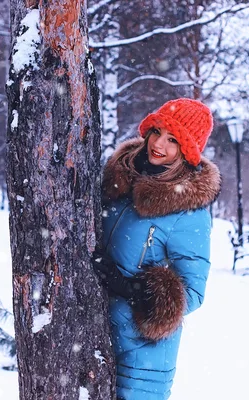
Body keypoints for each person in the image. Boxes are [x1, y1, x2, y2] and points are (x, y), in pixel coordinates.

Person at [92, 98, 221, 400]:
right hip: (97, 335)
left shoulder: (188, 210)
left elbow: (194, 291)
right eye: (157, 131)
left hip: (143, 361)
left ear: (187, 152)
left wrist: (132, 288)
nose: (159, 144)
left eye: (173, 140)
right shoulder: (122, 182)